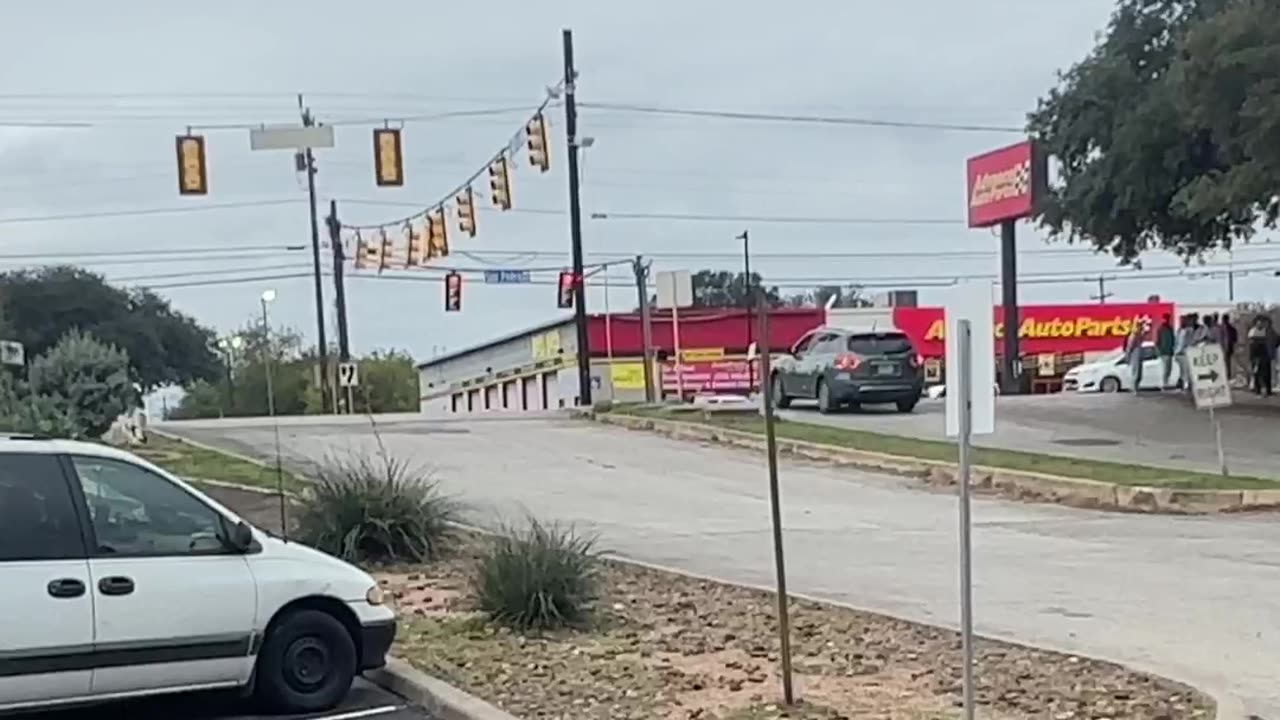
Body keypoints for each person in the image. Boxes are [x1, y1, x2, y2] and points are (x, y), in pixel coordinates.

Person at [1248, 316, 1276, 397]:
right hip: (1257, 354)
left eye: (1262, 322)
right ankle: (1258, 389)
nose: (1260, 324)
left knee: (1265, 373)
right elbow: (1251, 344)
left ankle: (1266, 390)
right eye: (1259, 322)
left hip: (1264, 354)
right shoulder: (1253, 331)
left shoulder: (1267, 331)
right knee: (1257, 372)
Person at [1175, 314, 1198, 394]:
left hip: (1186, 353)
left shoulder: (1189, 330)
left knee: (1186, 371)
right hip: (1180, 353)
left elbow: (1187, 342)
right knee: (1183, 371)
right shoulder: (1180, 330)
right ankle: (1184, 386)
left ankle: (1187, 386)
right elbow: (1178, 342)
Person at [1156, 314, 1176, 389]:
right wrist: (1159, 351)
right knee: (1165, 368)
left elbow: (1173, 339)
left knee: (1168, 368)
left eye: (1167, 319)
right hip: (1164, 352)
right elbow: (1157, 341)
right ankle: (1164, 383)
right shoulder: (1161, 329)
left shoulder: (1170, 328)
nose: (1166, 320)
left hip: (1169, 352)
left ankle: (1166, 382)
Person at [1125, 322, 1146, 392]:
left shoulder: (1140, 335)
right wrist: (1128, 356)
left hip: (1140, 355)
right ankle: (1134, 388)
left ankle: (1136, 387)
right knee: (1136, 372)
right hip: (1135, 354)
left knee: (1139, 373)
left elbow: (1142, 341)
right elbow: (1130, 347)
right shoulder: (1133, 335)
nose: (1141, 328)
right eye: (1140, 327)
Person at [1223, 314, 1239, 379]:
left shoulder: (1230, 329)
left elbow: (1235, 339)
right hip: (1227, 347)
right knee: (1227, 362)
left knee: (1227, 362)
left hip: (1227, 348)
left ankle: (1228, 375)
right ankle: (1227, 375)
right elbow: (1235, 339)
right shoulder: (1231, 328)